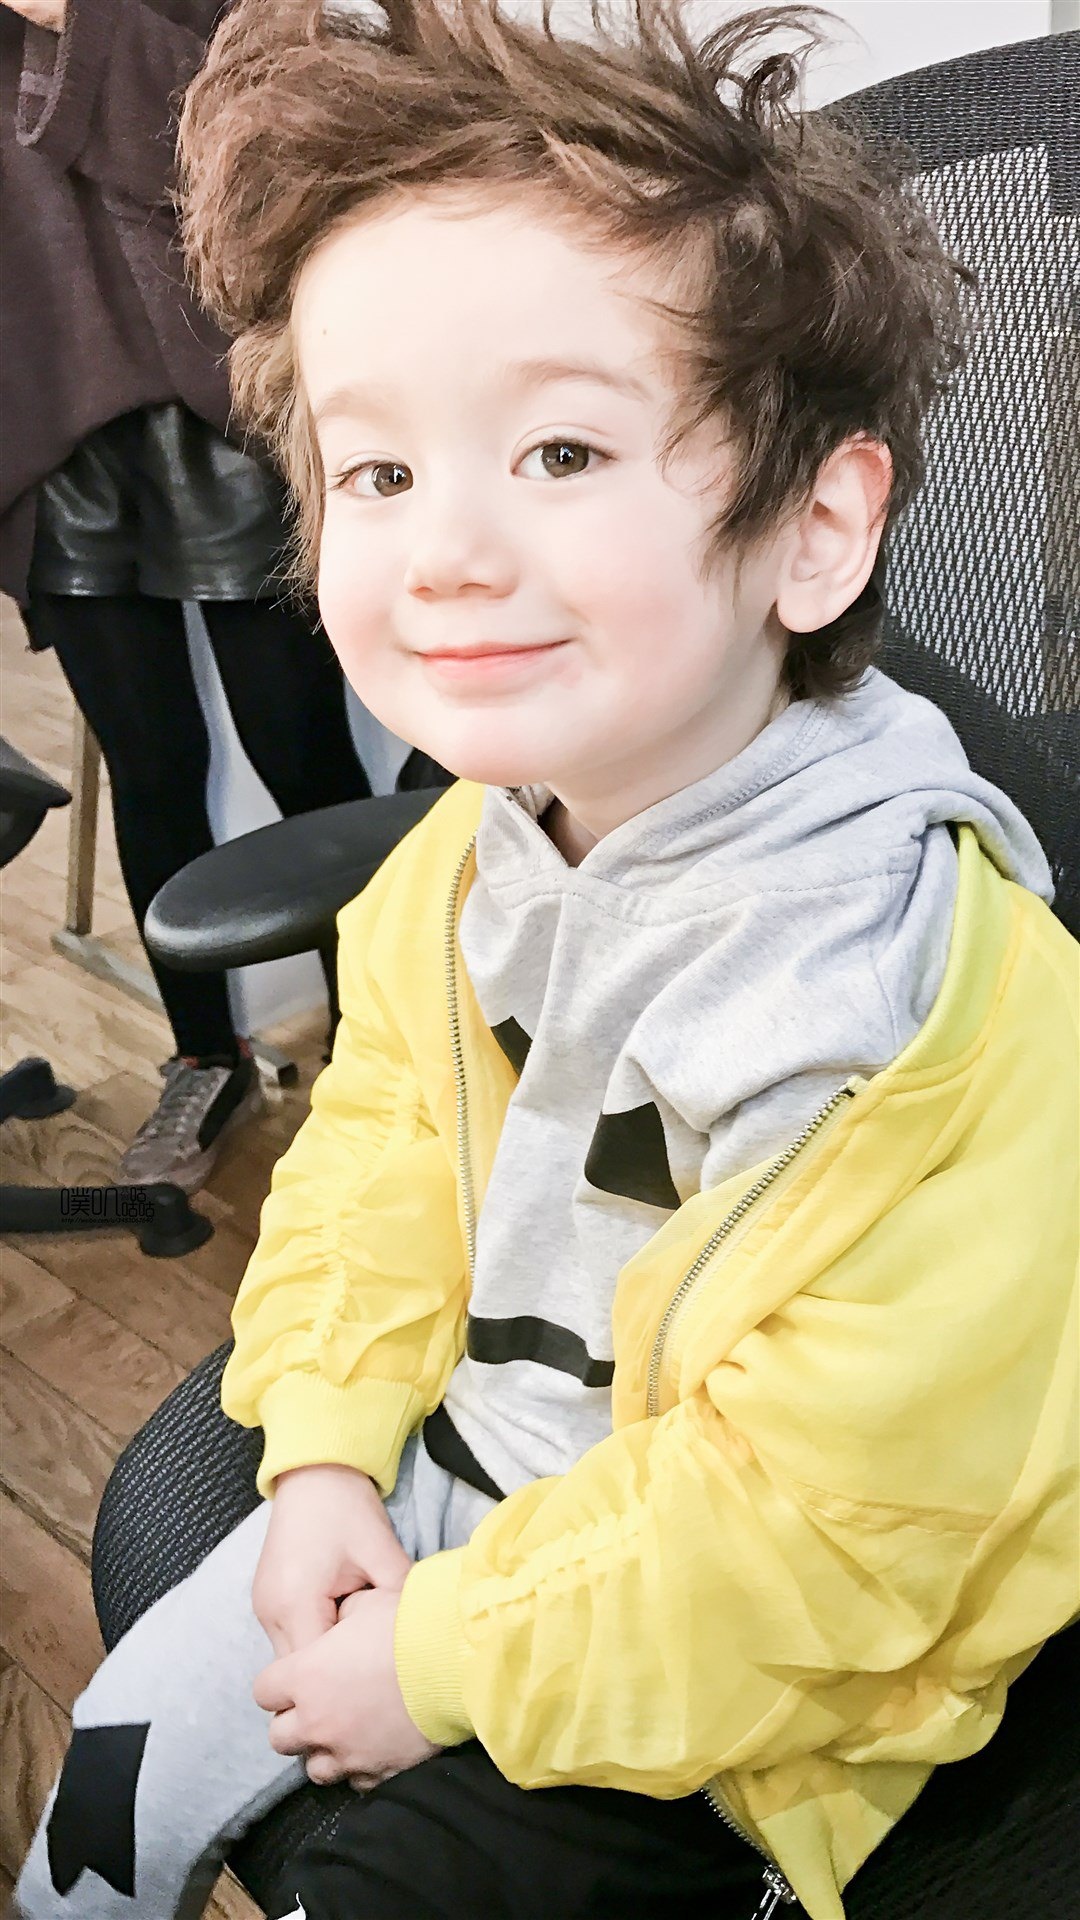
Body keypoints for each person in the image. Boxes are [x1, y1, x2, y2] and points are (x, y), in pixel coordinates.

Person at [15, 2, 1079, 1917]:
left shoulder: (901, 1007)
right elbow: (382, 1145)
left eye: (562, 447)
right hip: (464, 1477)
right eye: (380, 474)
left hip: (738, 1675)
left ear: (817, 526)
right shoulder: (475, 854)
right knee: (107, 1793)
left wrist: (440, 1662)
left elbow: (817, 1542)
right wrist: (324, 1450)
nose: (441, 552)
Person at [0, 0, 389, 1193]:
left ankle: (380, 1051)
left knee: (305, 757)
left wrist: (75, 20)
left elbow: (267, 130)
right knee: (150, 764)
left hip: (224, 405)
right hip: (49, 429)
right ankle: (203, 1057)